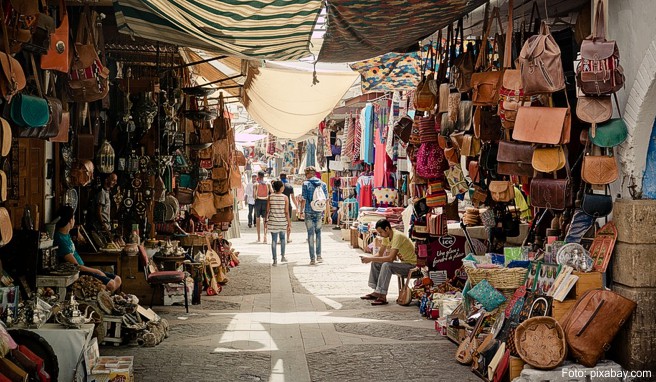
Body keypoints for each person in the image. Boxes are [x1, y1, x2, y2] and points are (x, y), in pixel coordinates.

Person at [54, 206, 122, 292]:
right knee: (111, 284)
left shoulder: (67, 234)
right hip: (80, 272)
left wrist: (78, 232)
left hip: (84, 268)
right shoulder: (60, 239)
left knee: (118, 279)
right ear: (70, 220)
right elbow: (76, 266)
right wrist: (96, 271)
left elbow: (82, 239)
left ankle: (103, 297)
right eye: (73, 218)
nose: (74, 220)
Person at [360, 219, 416, 306]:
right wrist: (369, 258)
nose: (380, 235)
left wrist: (370, 259)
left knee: (387, 265)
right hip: (405, 263)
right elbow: (379, 254)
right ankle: (377, 291)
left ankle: (382, 295)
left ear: (387, 229)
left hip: (412, 266)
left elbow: (390, 259)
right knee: (376, 263)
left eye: (381, 232)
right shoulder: (387, 237)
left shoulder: (397, 236)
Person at [301, 166, 328, 265]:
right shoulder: (323, 184)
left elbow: (303, 199)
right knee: (319, 233)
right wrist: (328, 215)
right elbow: (326, 200)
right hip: (319, 212)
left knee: (310, 234)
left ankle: (312, 258)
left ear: (308, 174)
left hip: (308, 211)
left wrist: (300, 211)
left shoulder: (305, 184)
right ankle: (319, 256)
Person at [266, 181, 290, 266]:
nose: (283, 188)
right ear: (280, 188)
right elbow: (286, 212)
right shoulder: (285, 197)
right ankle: (283, 256)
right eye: (282, 186)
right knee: (283, 239)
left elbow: (267, 210)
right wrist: (289, 223)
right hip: (282, 221)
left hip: (273, 221)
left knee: (274, 240)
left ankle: (274, 260)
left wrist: (266, 220)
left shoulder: (270, 197)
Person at [92, 173, 117, 238]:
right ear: (106, 180)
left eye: (116, 181)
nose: (115, 183)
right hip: (101, 228)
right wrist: (103, 225)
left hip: (107, 226)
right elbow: (98, 212)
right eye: (113, 180)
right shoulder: (102, 193)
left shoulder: (108, 192)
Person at [279, 172, 299, 243]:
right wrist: (296, 206)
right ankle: (288, 238)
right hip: (288, 206)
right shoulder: (290, 186)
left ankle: (280, 238)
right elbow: (293, 198)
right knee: (288, 222)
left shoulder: (278, 185)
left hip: (279, 205)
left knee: (280, 222)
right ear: (286, 177)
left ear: (280, 177)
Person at [254, 171, 272, 243]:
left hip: (258, 201)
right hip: (266, 201)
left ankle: (258, 237)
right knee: (265, 219)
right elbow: (272, 192)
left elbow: (254, 195)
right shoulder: (268, 184)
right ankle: (265, 236)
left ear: (258, 176)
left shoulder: (256, 184)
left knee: (258, 219)